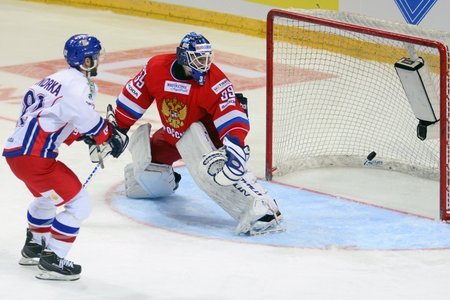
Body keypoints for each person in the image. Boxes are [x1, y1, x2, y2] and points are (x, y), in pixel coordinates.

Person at [112, 32, 284, 235]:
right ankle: (168, 180)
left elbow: (230, 112)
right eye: (198, 58)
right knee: (141, 179)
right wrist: (117, 129)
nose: (204, 64)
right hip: (173, 133)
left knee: (213, 171)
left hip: (206, 138)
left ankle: (262, 208)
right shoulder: (156, 68)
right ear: (183, 57)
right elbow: (135, 96)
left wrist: (235, 142)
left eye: (206, 58)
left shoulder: (215, 81)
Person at [2, 34, 128, 281]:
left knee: (46, 198)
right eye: (95, 56)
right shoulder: (79, 84)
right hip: (37, 158)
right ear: (86, 60)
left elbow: (51, 115)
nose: (98, 60)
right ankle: (53, 258)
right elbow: (79, 112)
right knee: (80, 205)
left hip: (17, 154)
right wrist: (105, 134)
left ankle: (34, 247)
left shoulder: (53, 79)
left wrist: (81, 135)